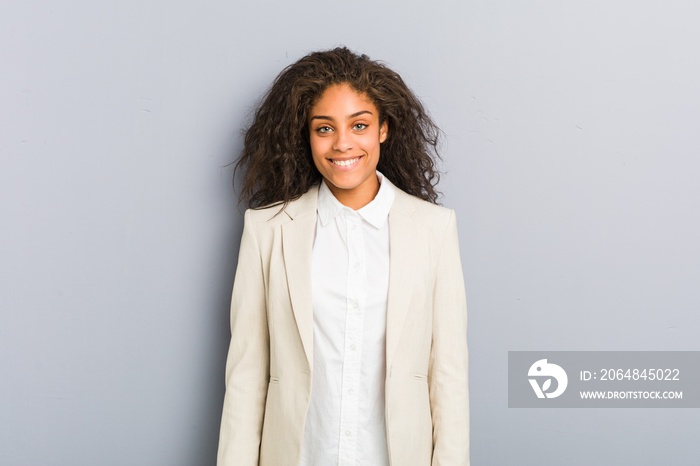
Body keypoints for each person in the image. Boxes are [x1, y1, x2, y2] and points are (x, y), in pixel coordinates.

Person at [217, 47, 469, 466]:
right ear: (306, 135)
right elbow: (245, 376)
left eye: (359, 125)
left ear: (383, 130)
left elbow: (449, 378)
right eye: (324, 128)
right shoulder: (268, 231)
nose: (342, 144)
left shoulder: (434, 229)